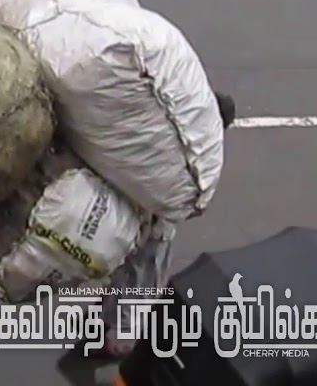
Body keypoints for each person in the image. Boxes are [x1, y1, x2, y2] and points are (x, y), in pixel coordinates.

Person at [81, 91, 237, 361]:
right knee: (140, 282)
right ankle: (114, 327)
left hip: (143, 220)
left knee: (133, 279)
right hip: (154, 226)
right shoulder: (203, 151)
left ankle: (117, 333)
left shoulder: (183, 138)